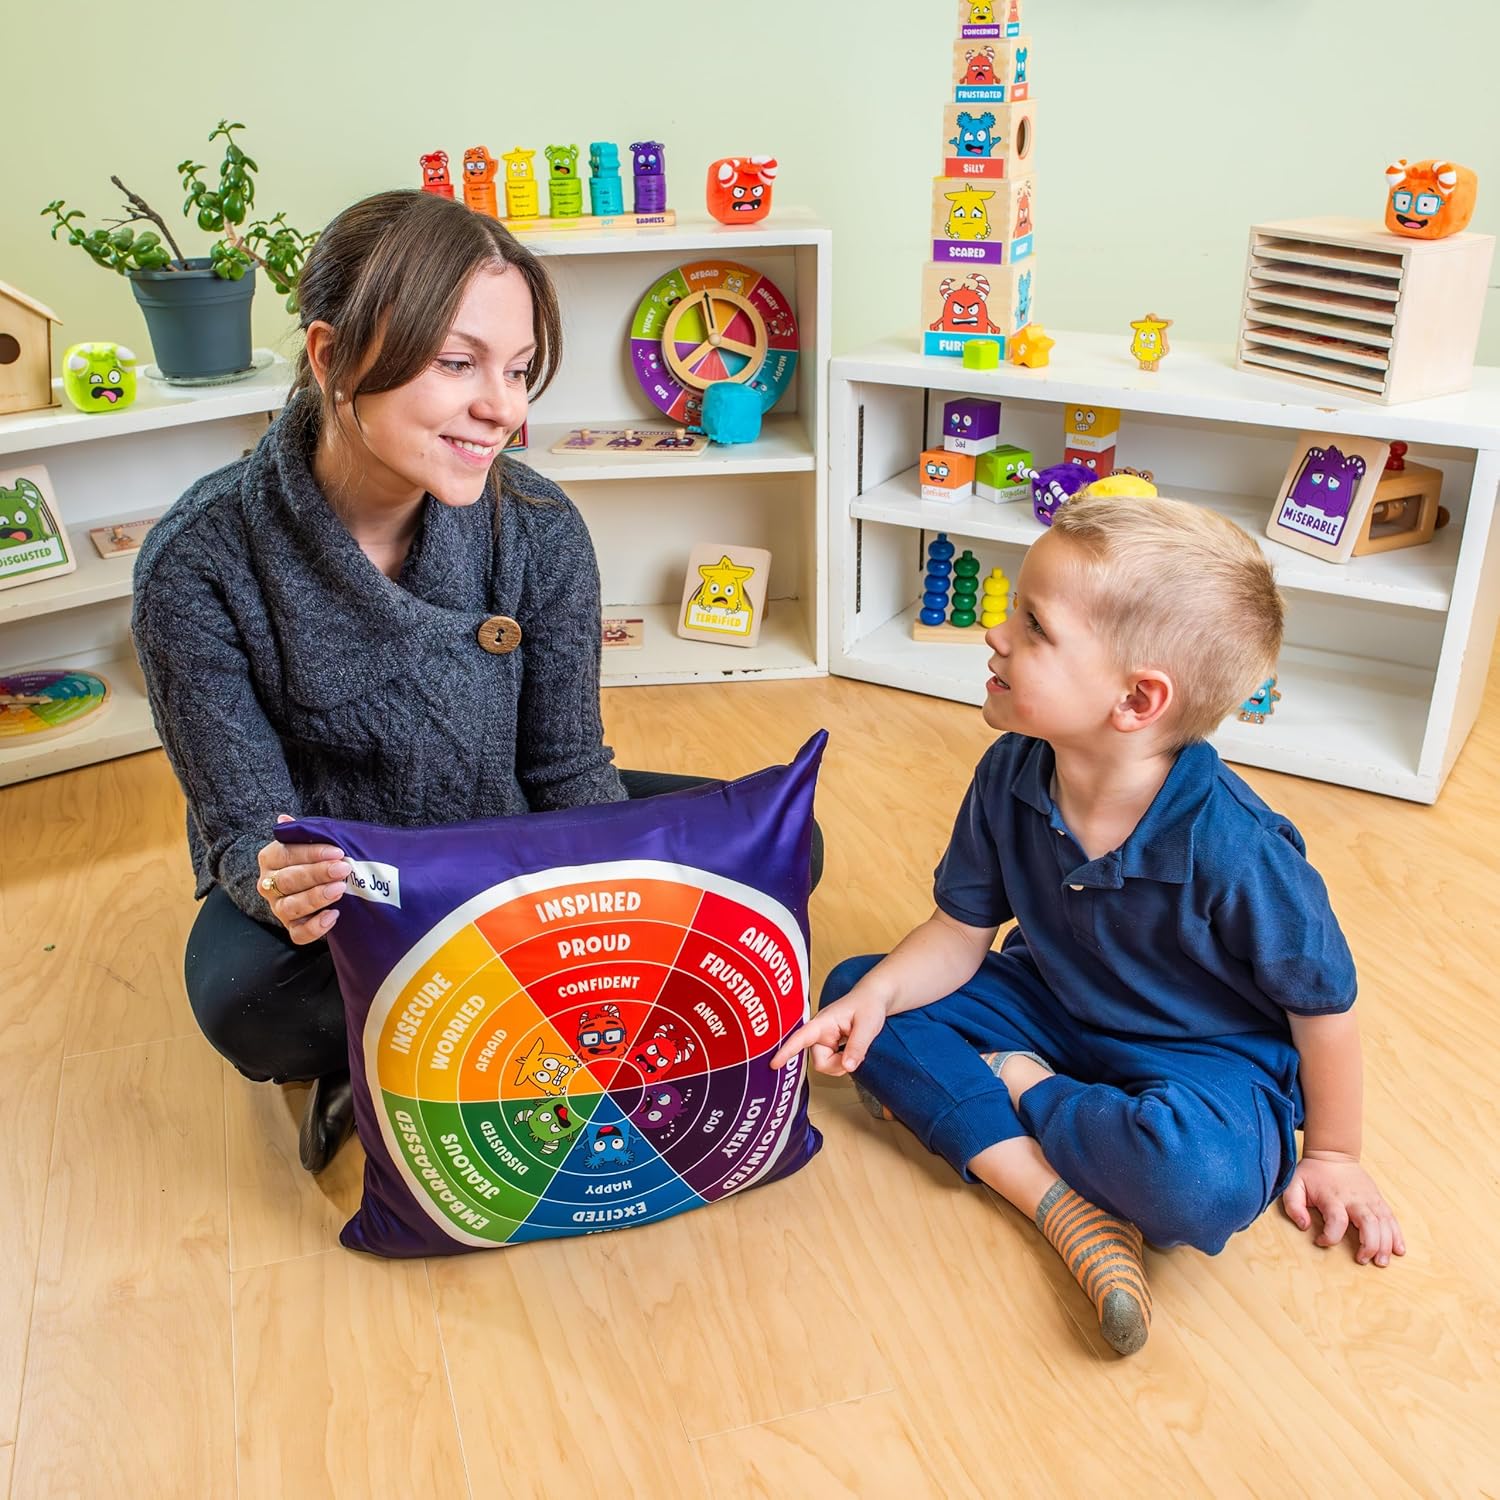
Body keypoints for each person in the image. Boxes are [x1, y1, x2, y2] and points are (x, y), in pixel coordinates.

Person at [133, 190, 820, 1173]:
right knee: (242, 1003)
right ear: (330, 359)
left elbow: (568, 769)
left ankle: (429, 1045)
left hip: (518, 847)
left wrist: (603, 914)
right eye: (458, 363)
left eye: (519, 369)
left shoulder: (537, 528)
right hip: (364, 896)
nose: (505, 408)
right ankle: (449, 1038)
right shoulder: (198, 563)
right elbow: (246, 829)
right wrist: (274, 881)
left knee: (782, 853)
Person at [772, 495, 1402, 1356]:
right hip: (1051, 998)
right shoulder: (1010, 773)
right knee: (855, 992)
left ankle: (1013, 1086)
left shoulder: (1239, 848)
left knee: (1198, 1188)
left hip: (1201, 1057)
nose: (996, 634)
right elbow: (958, 936)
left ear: (1137, 699)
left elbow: (1324, 1012)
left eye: (1033, 625)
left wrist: (1331, 1152)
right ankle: (1055, 1201)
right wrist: (879, 995)